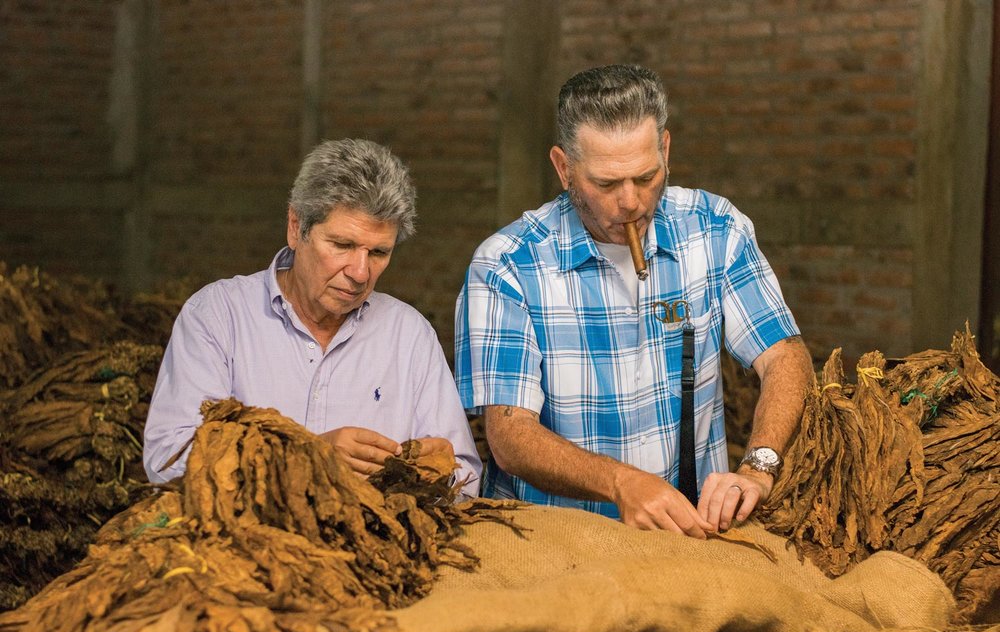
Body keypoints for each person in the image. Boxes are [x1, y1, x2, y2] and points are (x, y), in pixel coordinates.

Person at [455, 64, 812, 535]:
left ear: (665, 150)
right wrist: (621, 484)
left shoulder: (715, 228)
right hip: (551, 542)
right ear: (564, 169)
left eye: (646, 177)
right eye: (605, 184)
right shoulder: (506, 266)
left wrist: (758, 468)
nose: (631, 203)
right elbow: (510, 437)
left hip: (686, 537)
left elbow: (785, 357)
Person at [145, 138, 481, 498]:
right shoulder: (216, 316)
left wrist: (441, 471)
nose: (360, 272)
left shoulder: (409, 335)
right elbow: (169, 460)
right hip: (239, 547)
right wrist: (306, 459)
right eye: (342, 245)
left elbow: (466, 478)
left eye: (380, 252)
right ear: (295, 227)